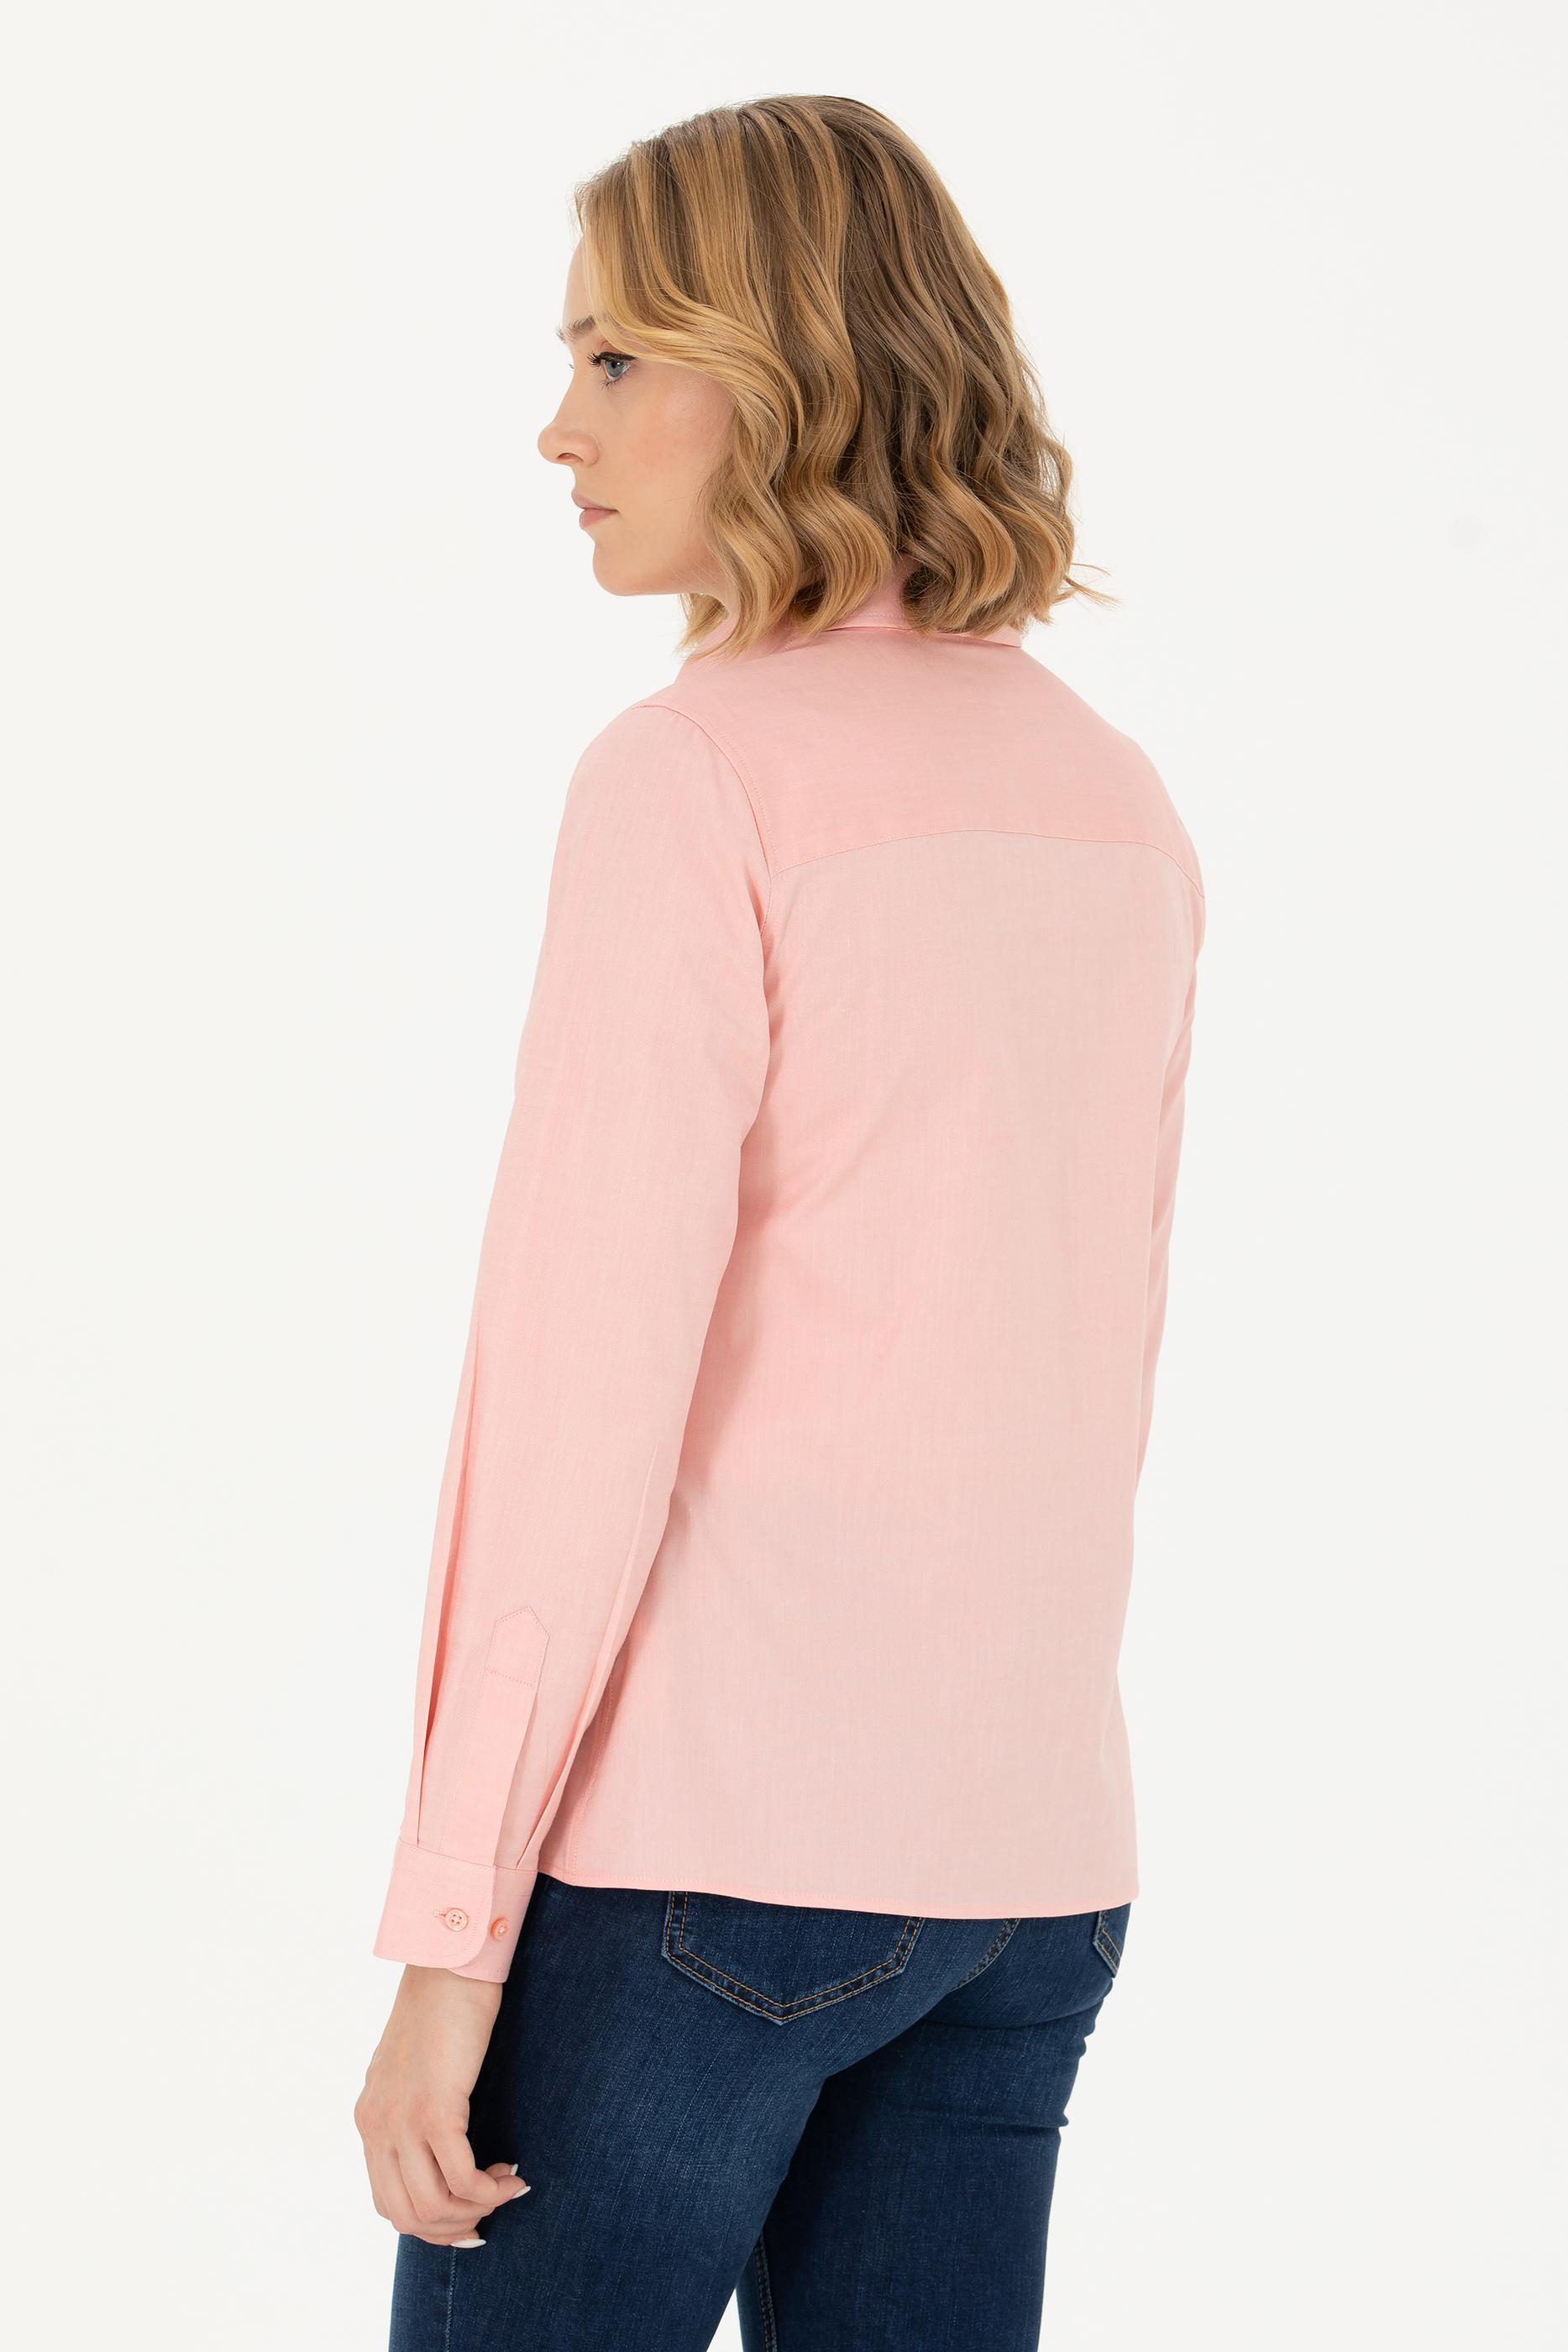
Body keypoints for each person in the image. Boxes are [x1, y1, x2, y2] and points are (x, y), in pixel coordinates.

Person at [355, 93, 1205, 2352]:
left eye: (617, 355)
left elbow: (578, 1396)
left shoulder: (694, 777)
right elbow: (1094, 1359)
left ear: (786, 362)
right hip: (1025, 1870)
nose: (558, 425)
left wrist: (450, 1939)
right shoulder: (1107, 794)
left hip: (700, 1869)